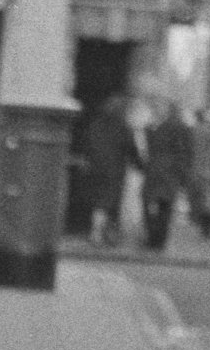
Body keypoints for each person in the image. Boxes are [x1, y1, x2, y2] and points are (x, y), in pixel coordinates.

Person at [77, 84, 135, 242]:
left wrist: (86, 160)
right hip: (113, 170)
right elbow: (130, 147)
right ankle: (97, 234)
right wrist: (140, 165)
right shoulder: (123, 126)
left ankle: (101, 233)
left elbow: (86, 143)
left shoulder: (95, 124)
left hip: (95, 167)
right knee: (106, 202)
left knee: (98, 201)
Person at [137, 102, 197, 252]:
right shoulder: (176, 127)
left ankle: (154, 238)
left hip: (160, 172)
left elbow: (183, 151)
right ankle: (158, 240)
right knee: (164, 206)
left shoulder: (163, 127)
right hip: (167, 173)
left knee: (152, 203)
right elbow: (187, 152)